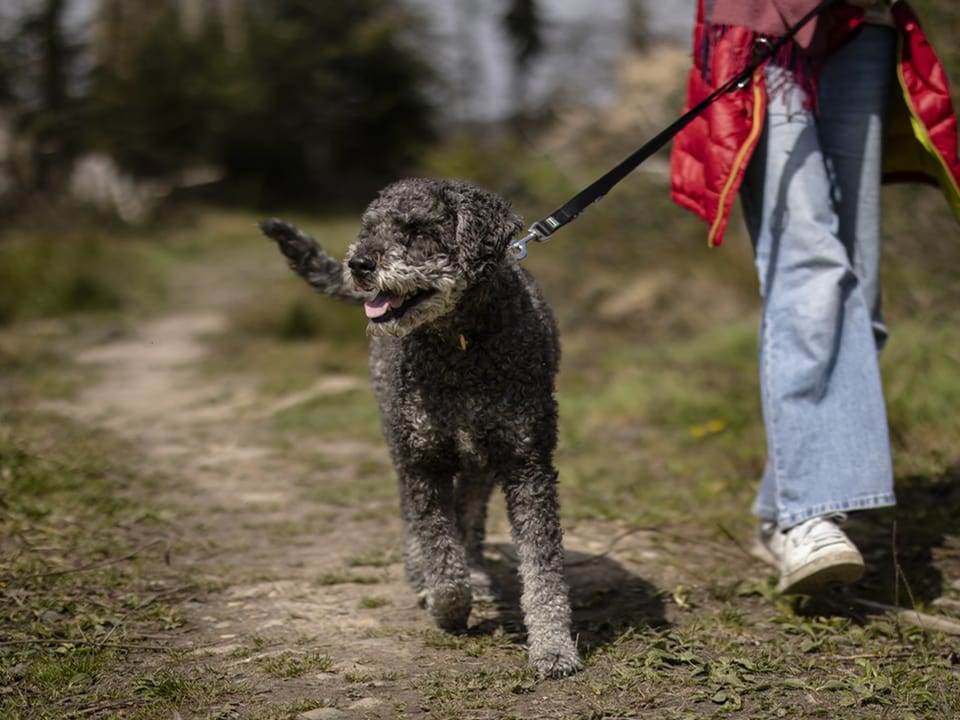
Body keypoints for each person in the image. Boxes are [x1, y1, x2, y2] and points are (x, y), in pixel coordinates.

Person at [670, 0, 960, 594]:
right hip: (765, 23)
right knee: (811, 267)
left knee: (859, 294)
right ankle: (811, 518)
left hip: (868, 23)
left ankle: (785, 509)